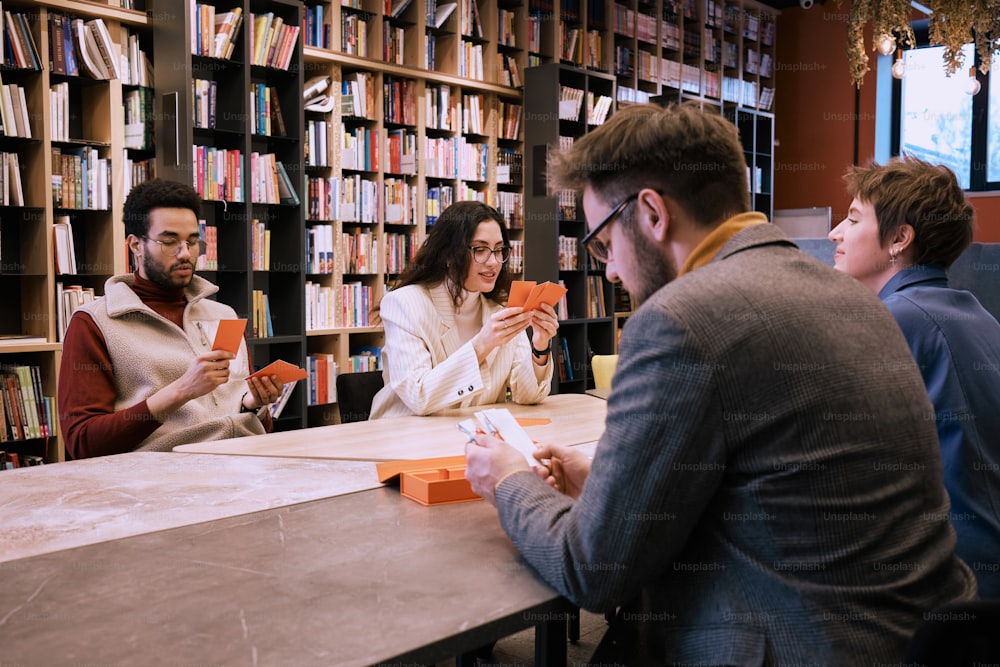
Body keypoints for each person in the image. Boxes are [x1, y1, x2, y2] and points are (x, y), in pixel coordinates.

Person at [464, 102, 977, 664]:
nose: (609, 270)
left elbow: (595, 570)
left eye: (605, 244)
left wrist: (510, 481)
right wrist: (615, 484)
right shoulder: (858, 300)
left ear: (654, 214)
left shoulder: (680, 318)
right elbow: (784, 489)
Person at [829, 156, 1000, 597]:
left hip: (950, 584)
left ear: (899, 239)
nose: (835, 233)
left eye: (851, 219)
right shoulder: (977, 315)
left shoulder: (897, 321)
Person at [59, 179, 283, 459]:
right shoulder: (94, 323)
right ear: (135, 245)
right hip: (167, 473)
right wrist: (181, 390)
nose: (185, 253)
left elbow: (252, 421)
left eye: (192, 241)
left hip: (246, 460)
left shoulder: (223, 315)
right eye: (169, 241)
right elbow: (82, 443)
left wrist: (253, 404)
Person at [369, 201, 557, 419]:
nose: (494, 262)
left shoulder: (501, 309)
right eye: (480, 250)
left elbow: (527, 395)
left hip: (471, 438)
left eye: (498, 250)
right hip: (403, 438)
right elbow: (418, 396)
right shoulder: (404, 304)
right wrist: (481, 345)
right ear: (448, 255)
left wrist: (540, 346)